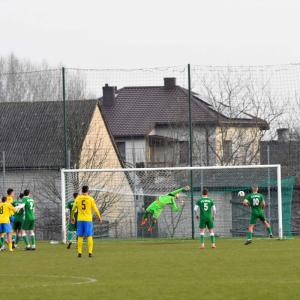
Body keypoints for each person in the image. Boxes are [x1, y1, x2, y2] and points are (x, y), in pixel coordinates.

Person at [71, 186, 102, 258]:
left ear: (81, 191)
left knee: (80, 236)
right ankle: (90, 253)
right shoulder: (91, 199)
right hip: (88, 220)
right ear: (88, 191)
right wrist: (99, 217)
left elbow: (73, 209)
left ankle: (79, 253)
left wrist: (72, 217)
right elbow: (95, 209)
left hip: (80, 219)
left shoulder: (77, 199)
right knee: (89, 236)